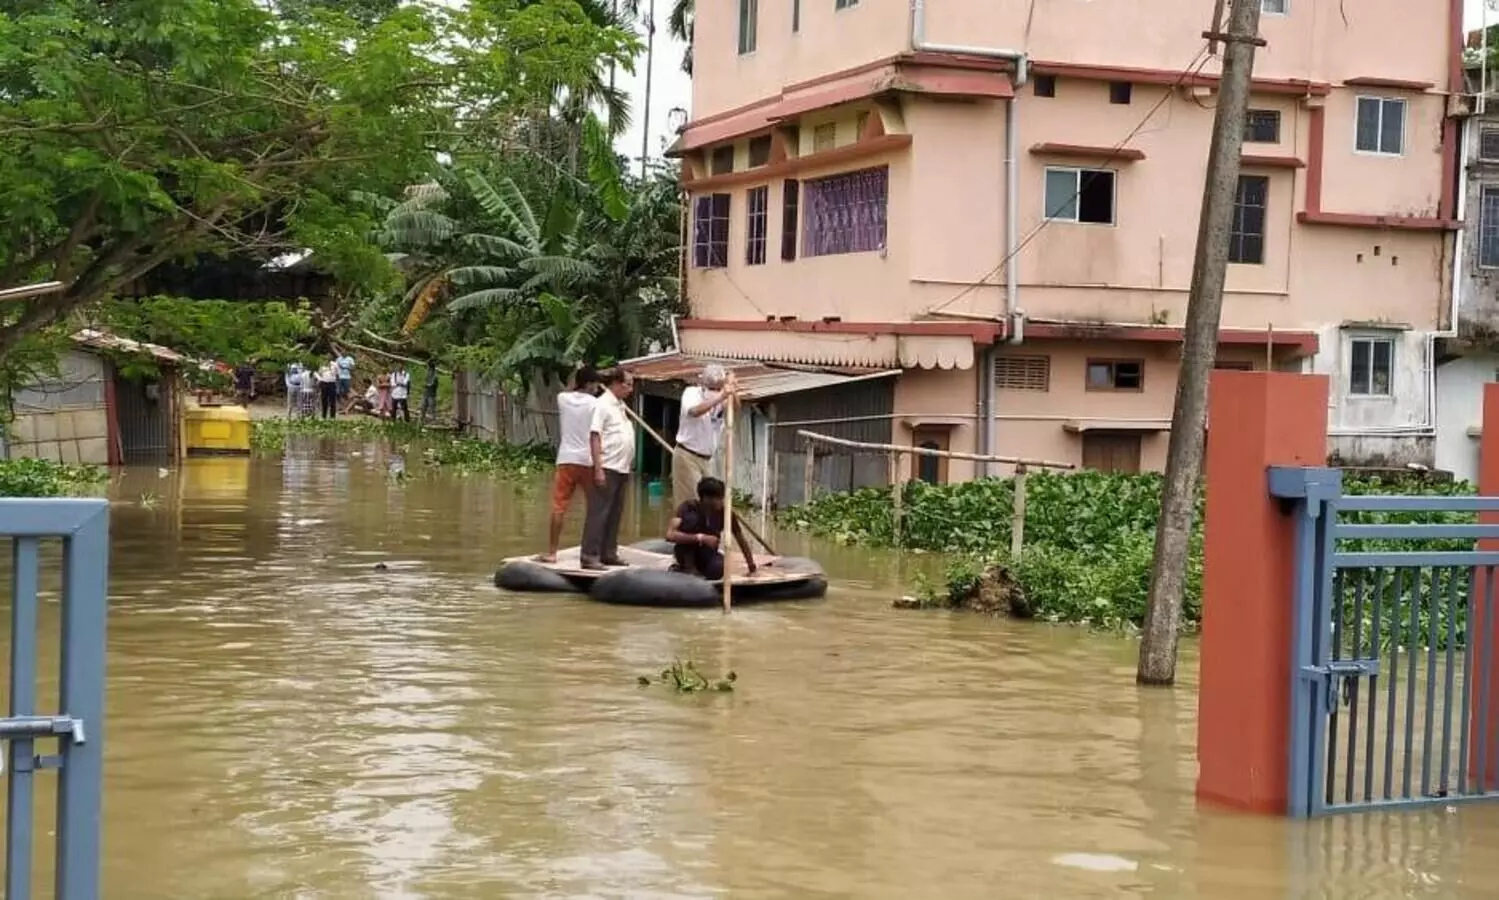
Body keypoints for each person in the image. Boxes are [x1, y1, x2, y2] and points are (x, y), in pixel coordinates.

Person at [535, 365, 600, 563]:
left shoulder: (563, 399)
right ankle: (592, 552)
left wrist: (578, 374)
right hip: (587, 461)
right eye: (595, 383)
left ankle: (553, 553)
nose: (598, 387)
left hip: (566, 459)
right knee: (595, 508)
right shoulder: (595, 404)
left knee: (559, 507)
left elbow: (569, 387)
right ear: (589, 384)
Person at [580, 368, 636, 571]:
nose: (630, 389)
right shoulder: (602, 404)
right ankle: (589, 555)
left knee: (615, 512)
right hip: (607, 465)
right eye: (628, 384)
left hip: (622, 467)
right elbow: (595, 436)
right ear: (616, 383)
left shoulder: (620, 406)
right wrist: (598, 468)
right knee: (599, 512)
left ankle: (608, 552)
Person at [666, 476, 756, 581]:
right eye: (717, 498)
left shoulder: (725, 513)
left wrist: (751, 565)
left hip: (708, 554)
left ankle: (699, 572)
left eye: (721, 498)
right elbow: (670, 535)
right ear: (705, 498)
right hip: (687, 552)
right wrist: (701, 538)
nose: (720, 502)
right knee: (691, 519)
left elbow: (740, 539)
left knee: (718, 568)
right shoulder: (688, 507)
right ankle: (687, 568)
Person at [672, 364, 736, 508]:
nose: (715, 391)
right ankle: (685, 530)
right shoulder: (691, 393)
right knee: (691, 503)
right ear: (703, 384)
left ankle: (705, 530)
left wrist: (733, 390)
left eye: (718, 388)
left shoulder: (724, 395)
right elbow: (694, 411)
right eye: (712, 388)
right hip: (688, 455)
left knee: (710, 502)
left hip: (707, 459)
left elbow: (735, 408)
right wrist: (720, 396)